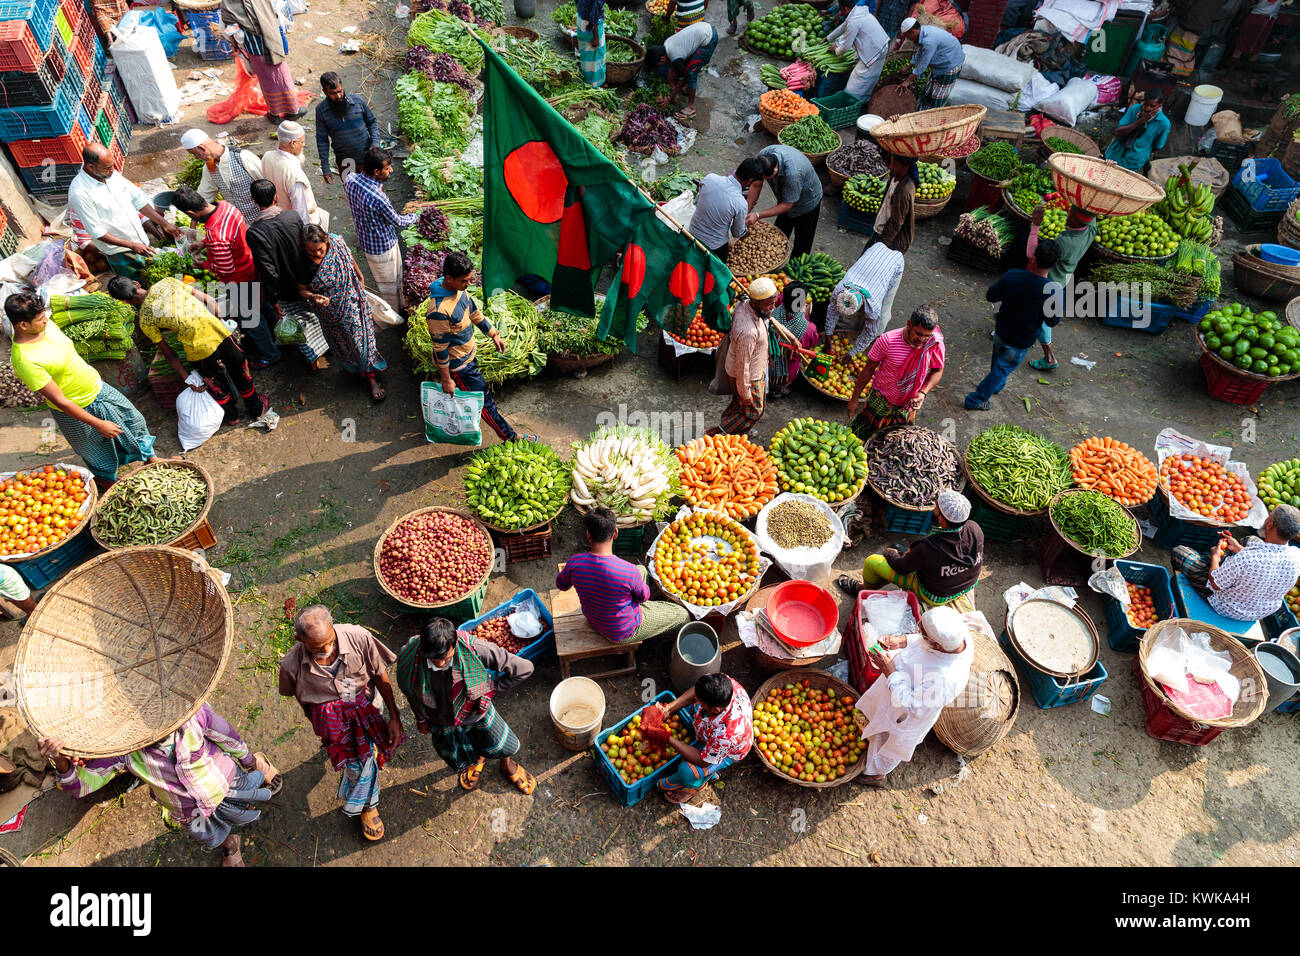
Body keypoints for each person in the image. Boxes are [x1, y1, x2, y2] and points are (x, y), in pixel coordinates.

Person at [38, 705, 280, 866]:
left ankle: (260, 768)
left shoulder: (195, 715)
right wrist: (60, 760)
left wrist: (248, 760)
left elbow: (227, 735)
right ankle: (230, 845)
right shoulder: (125, 753)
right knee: (209, 833)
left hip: (224, 780)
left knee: (243, 804)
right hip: (188, 810)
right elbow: (81, 786)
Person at [277, 605, 402, 842]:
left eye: (329, 642)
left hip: (367, 707)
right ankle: (367, 804)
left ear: (333, 628)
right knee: (356, 766)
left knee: (367, 760)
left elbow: (380, 674)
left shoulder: (358, 637)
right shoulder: (291, 666)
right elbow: (300, 699)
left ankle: (367, 802)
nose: (326, 651)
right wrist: (321, 726)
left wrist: (394, 716)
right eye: (316, 649)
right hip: (334, 724)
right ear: (299, 639)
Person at [5, 292, 157, 486]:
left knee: (133, 421)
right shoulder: (25, 360)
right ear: (23, 325)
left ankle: (151, 459)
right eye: (40, 319)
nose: (46, 320)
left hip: (97, 387)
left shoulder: (47, 326)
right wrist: (98, 423)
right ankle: (110, 485)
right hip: (76, 409)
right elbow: (61, 401)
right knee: (95, 449)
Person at [395, 617, 537, 795]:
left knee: (500, 744)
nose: (439, 663)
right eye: (433, 659)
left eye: (445, 658)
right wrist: (421, 718)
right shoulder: (409, 658)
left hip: (475, 713)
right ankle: (479, 759)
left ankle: (507, 765)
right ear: (422, 648)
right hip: (441, 719)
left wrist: (490, 687)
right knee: (464, 748)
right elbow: (410, 691)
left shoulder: (474, 649)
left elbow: (524, 668)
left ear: (455, 645)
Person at [107, 275, 271, 425]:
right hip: (220, 335)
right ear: (136, 284)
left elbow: (169, 353)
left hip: (198, 351)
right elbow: (209, 300)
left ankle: (232, 417)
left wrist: (187, 378)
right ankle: (256, 409)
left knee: (215, 384)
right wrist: (220, 320)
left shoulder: (145, 320)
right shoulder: (167, 282)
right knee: (241, 372)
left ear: (125, 302)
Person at [855, 605, 973, 786]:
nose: (918, 626)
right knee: (878, 720)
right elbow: (922, 641)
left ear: (936, 644)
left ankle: (875, 775)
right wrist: (901, 641)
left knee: (888, 745)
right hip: (896, 688)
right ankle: (871, 736)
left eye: (923, 631)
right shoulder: (956, 638)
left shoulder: (945, 680)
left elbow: (912, 707)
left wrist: (891, 672)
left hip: (903, 715)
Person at [427, 252, 536, 442]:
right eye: (465, 281)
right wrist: (446, 378)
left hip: (468, 355)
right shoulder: (438, 311)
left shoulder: (458, 290)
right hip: (460, 366)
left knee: (478, 397)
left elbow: (474, 312)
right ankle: (511, 437)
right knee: (485, 404)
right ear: (449, 278)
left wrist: (493, 334)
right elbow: (440, 348)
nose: (469, 284)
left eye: (470, 279)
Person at [555, 507, 690, 644]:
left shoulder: (574, 563)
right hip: (621, 632)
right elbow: (644, 597)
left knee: (641, 570)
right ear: (615, 533)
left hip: (593, 618)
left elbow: (561, 585)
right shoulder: (628, 571)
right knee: (682, 615)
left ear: (588, 534)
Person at [838, 490, 984, 612]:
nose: (935, 507)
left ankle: (862, 588)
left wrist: (890, 553)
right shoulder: (975, 528)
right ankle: (908, 556)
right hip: (967, 583)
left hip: (935, 594)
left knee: (873, 562)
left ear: (942, 520)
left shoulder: (929, 548)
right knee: (910, 552)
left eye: (937, 507)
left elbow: (901, 568)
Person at [964, 238, 1061, 410]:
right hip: (1021, 341)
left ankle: (996, 385)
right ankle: (976, 400)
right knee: (1001, 369)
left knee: (998, 363)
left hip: (1002, 330)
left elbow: (991, 296)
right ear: (1054, 265)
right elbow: (1052, 321)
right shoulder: (1053, 291)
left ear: (1034, 258)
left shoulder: (1013, 275)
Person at [244, 178, 331, 370]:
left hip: (284, 288)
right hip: (307, 279)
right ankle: (328, 346)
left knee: (298, 325)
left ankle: (312, 361)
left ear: (253, 200)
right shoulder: (292, 217)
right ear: (276, 197)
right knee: (316, 314)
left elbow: (267, 268)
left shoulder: (255, 232)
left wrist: (273, 298)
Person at [296, 224, 388, 402]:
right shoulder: (302, 262)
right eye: (311, 251)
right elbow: (302, 289)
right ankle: (357, 368)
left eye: (320, 249)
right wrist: (313, 297)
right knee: (345, 343)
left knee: (360, 340)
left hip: (352, 301)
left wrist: (359, 276)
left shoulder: (337, 243)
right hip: (329, 313)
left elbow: (349, 258)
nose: (316, 254)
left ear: (327, 241)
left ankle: (371, 378)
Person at [67, 144, 181, 279]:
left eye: (113, 165)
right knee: (136, 284)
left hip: (141, 241)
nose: (113, 170)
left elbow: (138, 200)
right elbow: (97, 232)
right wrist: (131, 245)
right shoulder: (80, 193)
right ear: (91, 167)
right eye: (108, 167)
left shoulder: (110, 174)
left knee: (153, 275)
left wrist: (165, 224)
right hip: (120, 251)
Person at [1171, 505, 1300, 622]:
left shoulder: (1247, 558)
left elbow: (1215, 583)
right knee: (1251, 540)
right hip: (1259, 611)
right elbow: (1264, 565)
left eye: (1269, 517)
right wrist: (1238, 548)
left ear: (1270, 525)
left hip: (1228, 607)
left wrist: (1215, 556)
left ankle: (1176, 592)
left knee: (1179, 552)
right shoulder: (1296, 555)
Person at [846, 306, 945, 438]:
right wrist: (854, 399)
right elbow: (868, 369)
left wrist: (922, 393)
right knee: (862, 434)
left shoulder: (934, 342)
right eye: (919, 334)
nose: (922, 340)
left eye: (926, 336)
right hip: (881, 399)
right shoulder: (887, 341)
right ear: (909, 324)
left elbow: (938, 370)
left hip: (908, 405)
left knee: (897, 442)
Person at [653, 672, 753, 803]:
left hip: (726, 751)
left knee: (687, 772)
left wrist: (667, 738)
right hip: (712, 730)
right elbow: (695, 691)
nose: (697, 700)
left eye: (700, 701)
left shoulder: (727, 734)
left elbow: (703, 761)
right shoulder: (721, 683)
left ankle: (697, 785)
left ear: (716, 710)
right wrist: (669, 708)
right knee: (689, 705)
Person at [344, 147, 418, 311]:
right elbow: (397, 221)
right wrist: (415, 216)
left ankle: (397, 307)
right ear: (376, 171)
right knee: (390, 286)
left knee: (386, 281)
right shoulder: (378, 197)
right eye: (387, 168)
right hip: (383, 247)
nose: (391, 170)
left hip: (367, 241)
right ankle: (393, 316)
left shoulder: (350, 179)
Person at [1026, 204, 1096, 371]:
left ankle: (1049, 357)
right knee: (1034, 310)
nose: (1067, 214)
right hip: (1063, 279)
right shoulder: (1090, 229)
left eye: (1070, 213)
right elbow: (1094, 215)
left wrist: (1036, 225)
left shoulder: (1064, 242)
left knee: (1042, 319)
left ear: (1074, 219)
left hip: (1050, 282)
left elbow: (1032, 254)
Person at [220, 0, 306, 122]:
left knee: (267, 80)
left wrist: (238, 44)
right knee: (281, 76)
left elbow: (229, 29)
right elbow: (276, 13)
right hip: (270, 41)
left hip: (255, 47)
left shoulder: (227, 4)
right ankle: (291, 111)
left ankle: (275, 113)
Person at [715, 276, 778, 435]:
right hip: (749, 376)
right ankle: (719, 430)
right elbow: (742, 367)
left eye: (774, 303)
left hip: (754, 366)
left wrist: (792, 338)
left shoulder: (743, 305)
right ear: (755, 303)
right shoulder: (748, 332)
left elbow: (769, 320)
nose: (773, 307)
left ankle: (739, 428)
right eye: (769, 305)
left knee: (739, 405)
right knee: (754, 409)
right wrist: (745, 393)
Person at [823, 241, 905, 353]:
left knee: (883, 312)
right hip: (876, 247)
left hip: (895, 262)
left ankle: (874, 343)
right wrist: (828, 336)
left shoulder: (874, 304)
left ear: (862, 304)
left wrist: (853, 353)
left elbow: (870, 332)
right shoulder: (840, 288)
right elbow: (832, 310)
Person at [750, 145, 824, 259]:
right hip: (785, 198)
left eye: (766, 177)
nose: (764, 179)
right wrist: (747, 210)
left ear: (775, 170)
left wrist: (758, 215)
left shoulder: (793, 173)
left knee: (802, 243)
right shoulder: (762, 156)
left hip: (808, 201)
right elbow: (756, 184)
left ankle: (794, 270)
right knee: (777, 234)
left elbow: (786, 206)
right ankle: (774, 261)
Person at [184, 128, 265, 225]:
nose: (196, 157)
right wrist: (193, 224)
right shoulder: (209, 167)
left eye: (195, 154)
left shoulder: (242, 157)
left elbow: (268, 183)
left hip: (263, 218)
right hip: (241, 223)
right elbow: (205, 195)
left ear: (202, 148)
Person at [689, 158, 764, 260]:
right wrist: (746, 232)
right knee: (722, 256)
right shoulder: (740, 203)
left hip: (691, 233)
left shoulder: (710, 178)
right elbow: (737, 233)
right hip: (713, 247)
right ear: (750, 181)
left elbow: (698, 200)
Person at [262, 120, 329, 229]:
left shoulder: (267, 156)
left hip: (281, 218)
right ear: (293, 143)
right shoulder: (295, 175)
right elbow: (302, 215)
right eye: (301, 142)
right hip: (300, 225)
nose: (304, 145)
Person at [315, 73, 379, 184]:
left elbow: (372, 122)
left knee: (374, 192)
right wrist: (325, 168)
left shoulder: (358, 101)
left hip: (367, 157)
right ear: (324, 92)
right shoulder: (321, 110)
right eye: (333, 93)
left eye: (340, 91)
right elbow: (322, 140)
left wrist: (375, 144)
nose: (338, 96)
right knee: (352, 192)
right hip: (345, 162)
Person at [647, 20, 719, 120]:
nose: (658, 65)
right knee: (684, 67)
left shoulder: (674, 54)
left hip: (709, 38)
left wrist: (669, 98)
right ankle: (688, 88)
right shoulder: (666, 44)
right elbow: (674, 65)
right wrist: (670, 81)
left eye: (658, 63)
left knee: (691, 72)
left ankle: (691, 107)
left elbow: (682, 78)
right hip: (704, 28)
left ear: (662, 58)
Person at [898, 16, 965, 109]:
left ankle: (930, 117)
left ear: (913, 32)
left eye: (907, 36)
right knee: (927, 91)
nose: (908, 39)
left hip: (949, 65)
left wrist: (908, 81)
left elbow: (923, 64)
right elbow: (919, 53)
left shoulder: (929, 40)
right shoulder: (922, 32)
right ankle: (920, 111)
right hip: (939, 62)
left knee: (937, 98)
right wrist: (907, 67)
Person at [828, 0, 890, 100]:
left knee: (858, 79)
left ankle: (851, 102)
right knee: (870, 78)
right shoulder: (858, 12)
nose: (839, 11)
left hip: (874, 51)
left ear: (846, 8)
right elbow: (843, 27)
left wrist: (836, 50)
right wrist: (828, 38)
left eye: (840, 9)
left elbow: (845, 47)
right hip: (881, 45)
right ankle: (863, 100)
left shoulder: (854, 21)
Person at [768, 281, 820, 397]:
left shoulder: (771, 312)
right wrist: (805, 315)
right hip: (787, 372)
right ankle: (780, 390)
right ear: (803, 304)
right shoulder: (809, 329)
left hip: (766, 362)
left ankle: (769, 386)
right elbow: (811, 343)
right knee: (787, 377)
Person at [1103, 94, 1171, 173]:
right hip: (1114, 155)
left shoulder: (1164, 123)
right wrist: (1140, 121)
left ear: (1160, 105)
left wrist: (1141, 150)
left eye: (1152, 106)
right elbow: (1118, 132)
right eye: (1145, 104)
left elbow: (1158, 146)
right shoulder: (1135, 109)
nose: (1147, 108)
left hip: (1132, 162)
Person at [868, 153, 917, 254]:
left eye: (895, 163)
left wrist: (881, 246)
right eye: (891, 162)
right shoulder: (895, 176)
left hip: (889, 240)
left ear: (906, 166)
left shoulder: (904, 190)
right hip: (880, 229)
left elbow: (896, 222)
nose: (890, 166)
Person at [575, 0, 607, 88]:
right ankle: (595, 84)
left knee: (586, 53)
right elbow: (594, 17)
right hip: (591, 29)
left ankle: (587, 80)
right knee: (596, 56)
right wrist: (596, 38)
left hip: (582, 22)